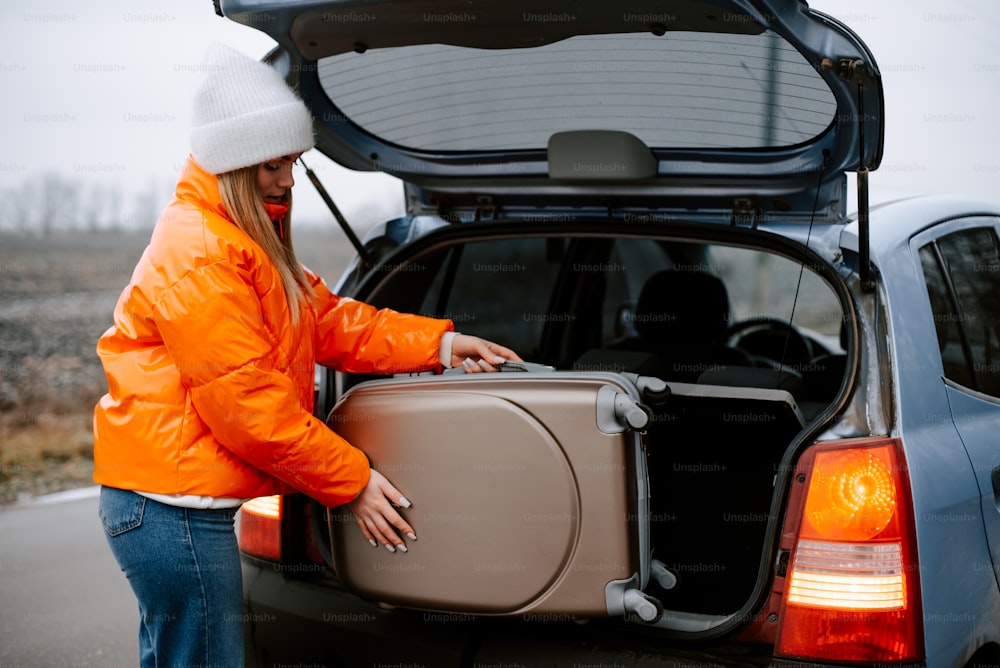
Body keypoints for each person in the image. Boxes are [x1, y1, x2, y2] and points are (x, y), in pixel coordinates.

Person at [93, 43, 521, 668]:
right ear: (234, 163)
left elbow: (327, 320)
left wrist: (440, 344)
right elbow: (250, 411)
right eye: (273, 164)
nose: (289, 179)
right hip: (170, 515)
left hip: (167, 507)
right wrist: (351, 483)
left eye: (293, 161)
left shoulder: (241, 237)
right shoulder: (202, 253)